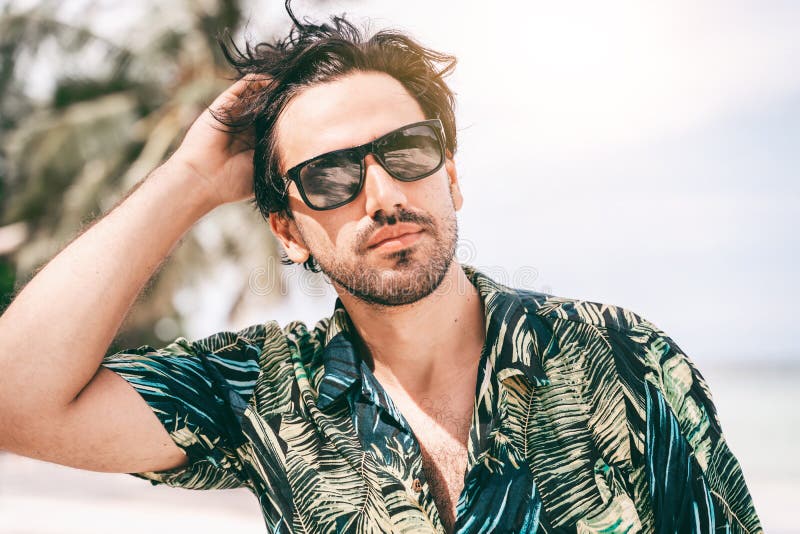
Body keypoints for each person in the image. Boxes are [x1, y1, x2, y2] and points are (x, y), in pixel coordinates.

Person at [0, 6, 762, 534]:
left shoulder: (620, 356)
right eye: (330, 177)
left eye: (405, 151)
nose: (384, 194)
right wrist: (190, 181)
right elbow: (15, 402)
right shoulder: (266, 396)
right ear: (288, 231)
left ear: (451, 179)